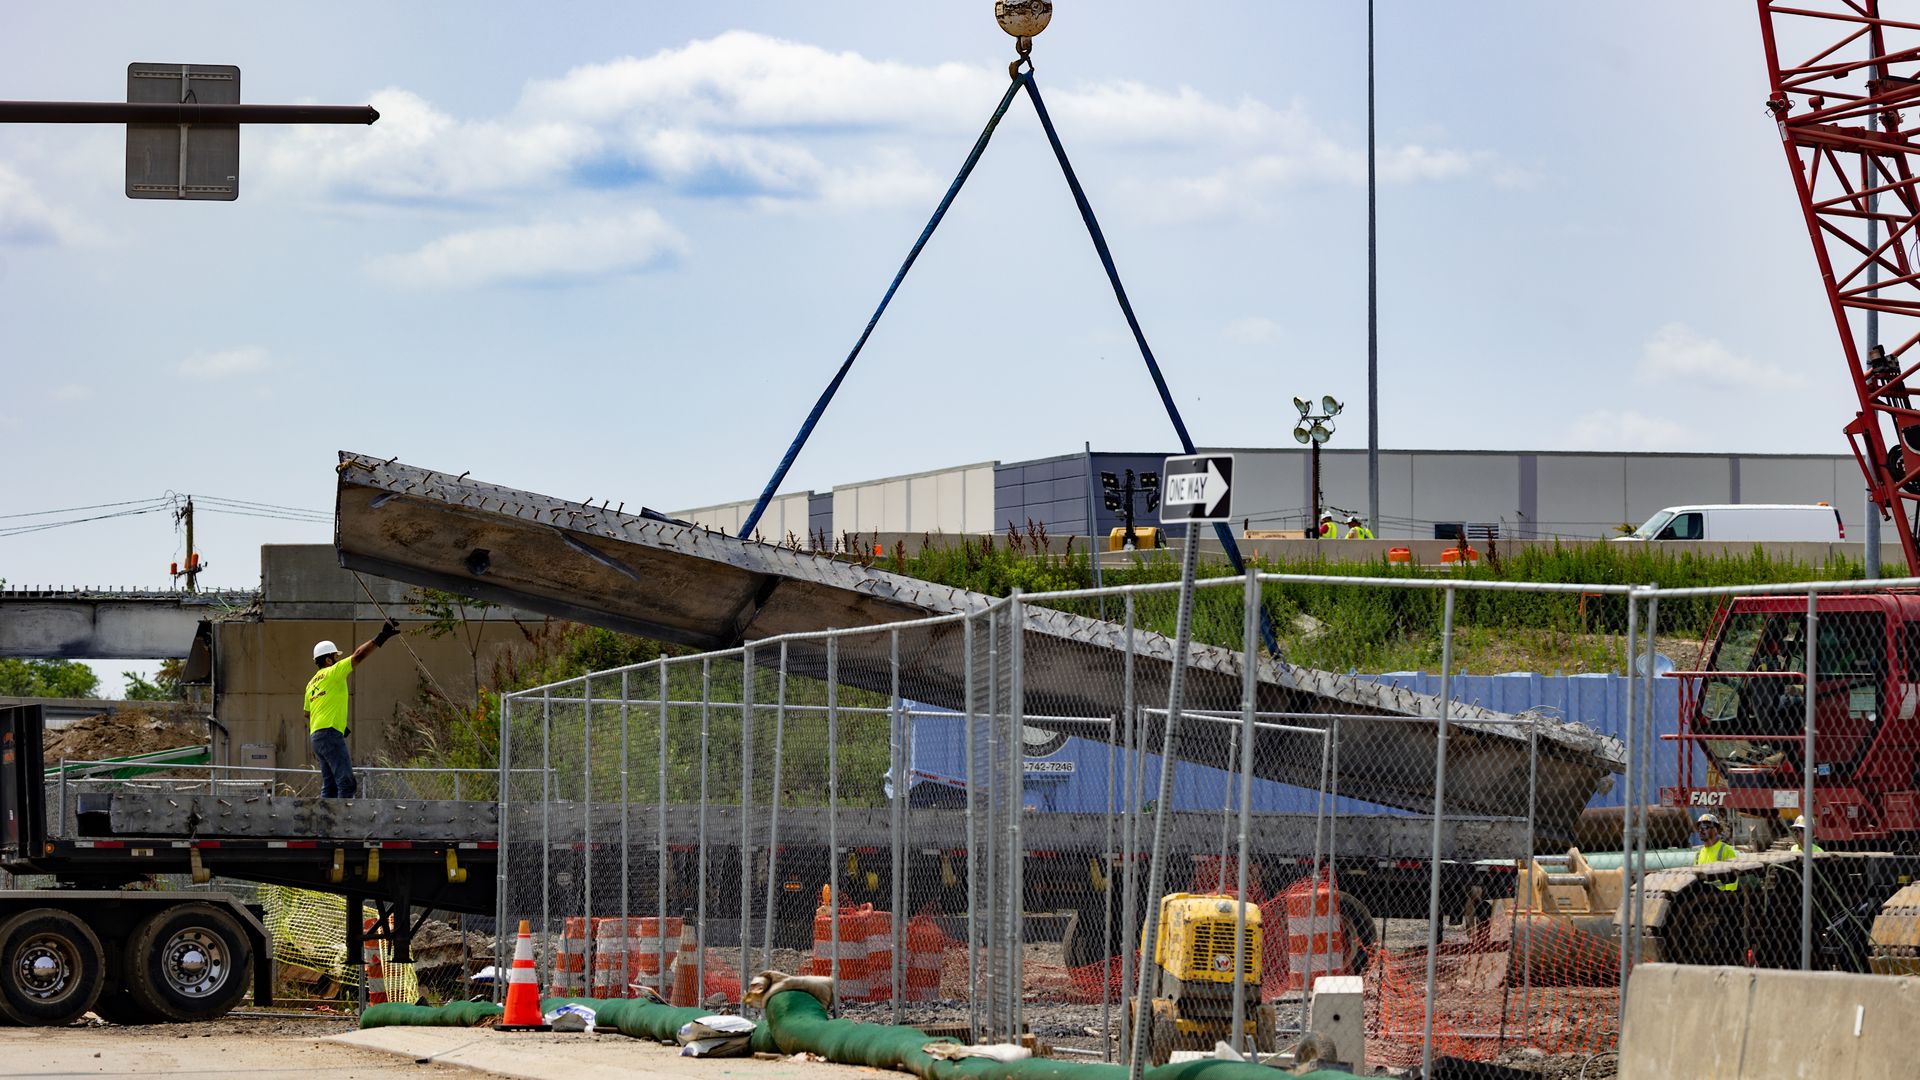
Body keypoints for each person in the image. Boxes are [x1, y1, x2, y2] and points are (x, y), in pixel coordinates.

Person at [304, 621, 400, 799]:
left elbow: (307, 713)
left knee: (330, 785)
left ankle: (326, 823)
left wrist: (331, 718)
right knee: (346, 783)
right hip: (330, 733)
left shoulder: (311, 684)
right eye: (335, 656)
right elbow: (358, 656)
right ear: (328, 660)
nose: (338, 660)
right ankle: (344, 822)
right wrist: (381, 637)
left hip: (316, 736)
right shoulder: (333, 671)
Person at [1694, 813, 1740, 891]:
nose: (1701, 831)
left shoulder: (1726, 850)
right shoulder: (1698, 854)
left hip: (1720, 895)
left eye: (1705, 827)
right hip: (1703, 896)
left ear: (1716, 830)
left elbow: (1733, 877)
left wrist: (1729, 896)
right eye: (1699, 828)